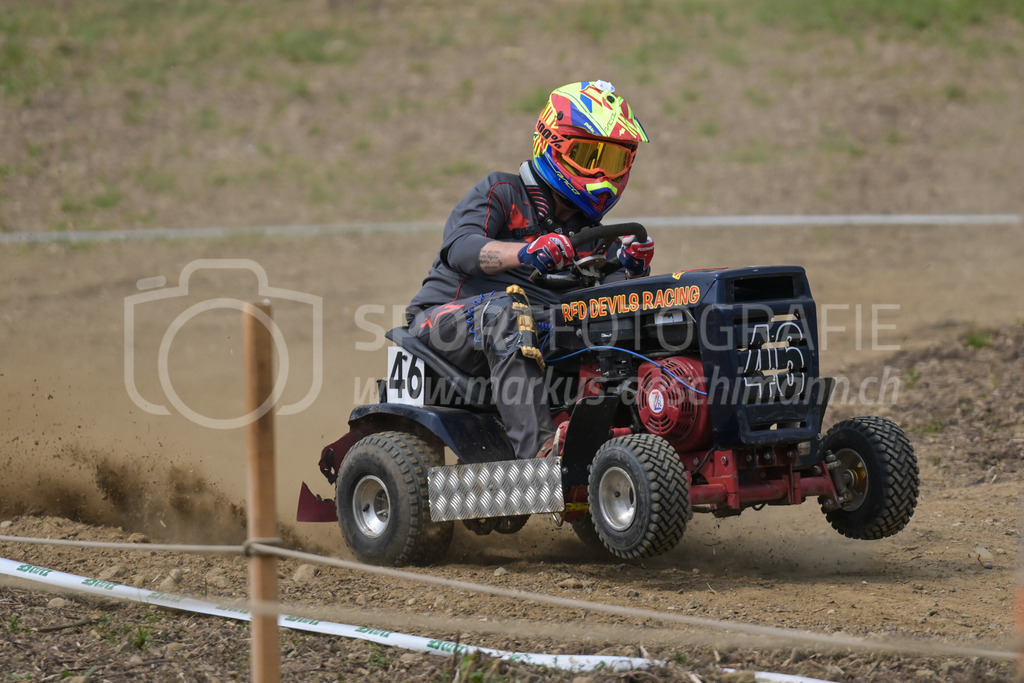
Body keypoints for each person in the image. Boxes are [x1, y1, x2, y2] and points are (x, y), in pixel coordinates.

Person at [405, 80, 654, 460]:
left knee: (636, 317)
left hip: (536, 333)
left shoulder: (596, 238)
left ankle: (644, 432)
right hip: (441, 325)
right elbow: (460, 248)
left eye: (614, 161)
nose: (602, 172)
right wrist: (525, 252)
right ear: (552, 144)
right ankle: (540, 452)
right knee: (507, 312)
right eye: (589, 156)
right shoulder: (501, 192)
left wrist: (632, 274)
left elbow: (612, 299)